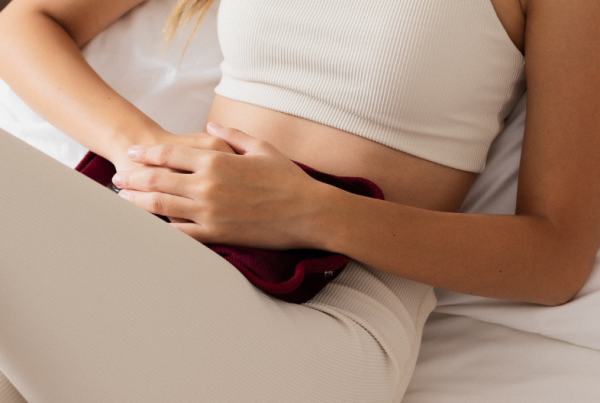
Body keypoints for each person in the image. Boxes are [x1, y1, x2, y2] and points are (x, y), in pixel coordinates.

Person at [1, 0, 600, 402]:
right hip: (175, 252)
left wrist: (306, 210)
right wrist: (152, 155)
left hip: (326, 324)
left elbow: (555, 257)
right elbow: (24, 21)